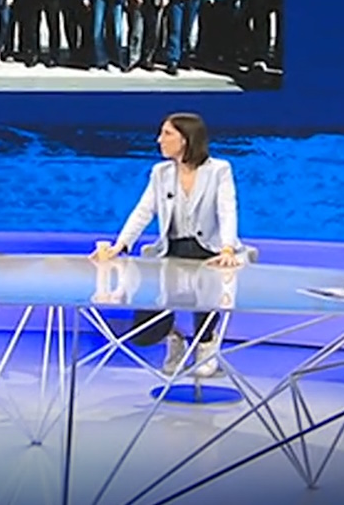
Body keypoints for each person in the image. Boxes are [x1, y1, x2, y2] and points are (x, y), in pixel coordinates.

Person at [91, 113, 243, 377]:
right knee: (146, 321)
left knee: (207, 290)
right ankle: (174, 337)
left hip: (209, 249)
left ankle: (205, 344)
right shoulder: (160, 173)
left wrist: (227, 248)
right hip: (171, 250)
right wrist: (121, 245)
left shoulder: (219, 170)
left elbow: (227, 209)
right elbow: (143, 211)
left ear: (185, 139)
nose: (159, 140)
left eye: (167, 134)